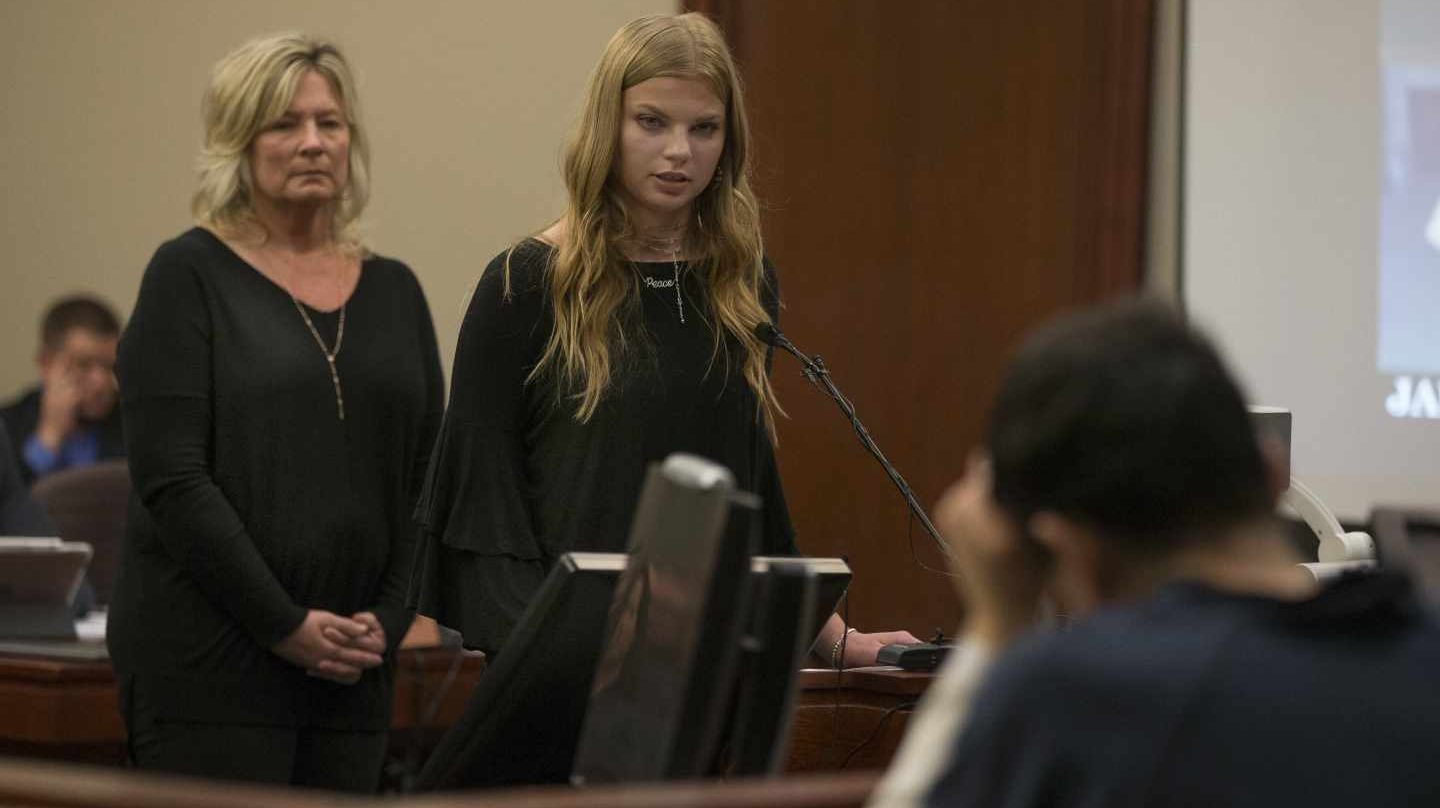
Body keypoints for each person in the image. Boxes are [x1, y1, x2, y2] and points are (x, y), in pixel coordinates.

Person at [411, 13, 914, 666]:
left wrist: (839, 640)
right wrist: (554, 657)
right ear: (608, 126)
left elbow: (748, 494)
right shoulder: (525, 283)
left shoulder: (741, 285)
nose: (680, 151)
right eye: (652, 122)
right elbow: (485, 509)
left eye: (704, 128)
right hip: (553, 659)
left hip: (694, 659)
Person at [871, 300, 1440, 807]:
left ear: (1065, 550)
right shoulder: (1422, 655)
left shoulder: (1076, 701)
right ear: (1272, 474)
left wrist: (997, 624)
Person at [107, 33, 443, 792]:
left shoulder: (396, 290)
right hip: (211, 666)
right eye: (284, 124)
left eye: (330, 123)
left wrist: (391, 618)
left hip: (354, 664)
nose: (313, 142)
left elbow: (429, 476)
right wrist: (283, 624)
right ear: (239, 143)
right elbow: (173, 479)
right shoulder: (187, 275)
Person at [1, 295, 125, 485]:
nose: (100, 382)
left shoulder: (133, 425)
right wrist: (49, 436)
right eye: (83, 365)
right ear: (46, 364)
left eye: (109, 366)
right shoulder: (7, 427)